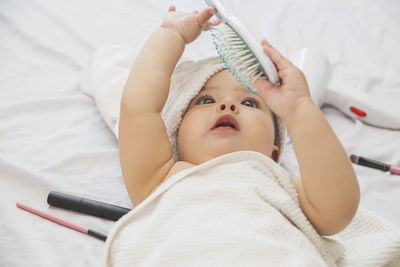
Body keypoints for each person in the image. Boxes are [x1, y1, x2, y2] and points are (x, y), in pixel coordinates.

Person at [118, 4, 360, 239]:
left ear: (274, 156)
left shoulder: (281, 188)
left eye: (249, 103)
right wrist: (170, 35)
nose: (227, 105)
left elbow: (338, 207)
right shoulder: (163, 178)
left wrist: (299, 109)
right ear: (174, 136)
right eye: (206, 100)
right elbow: (139, 108)